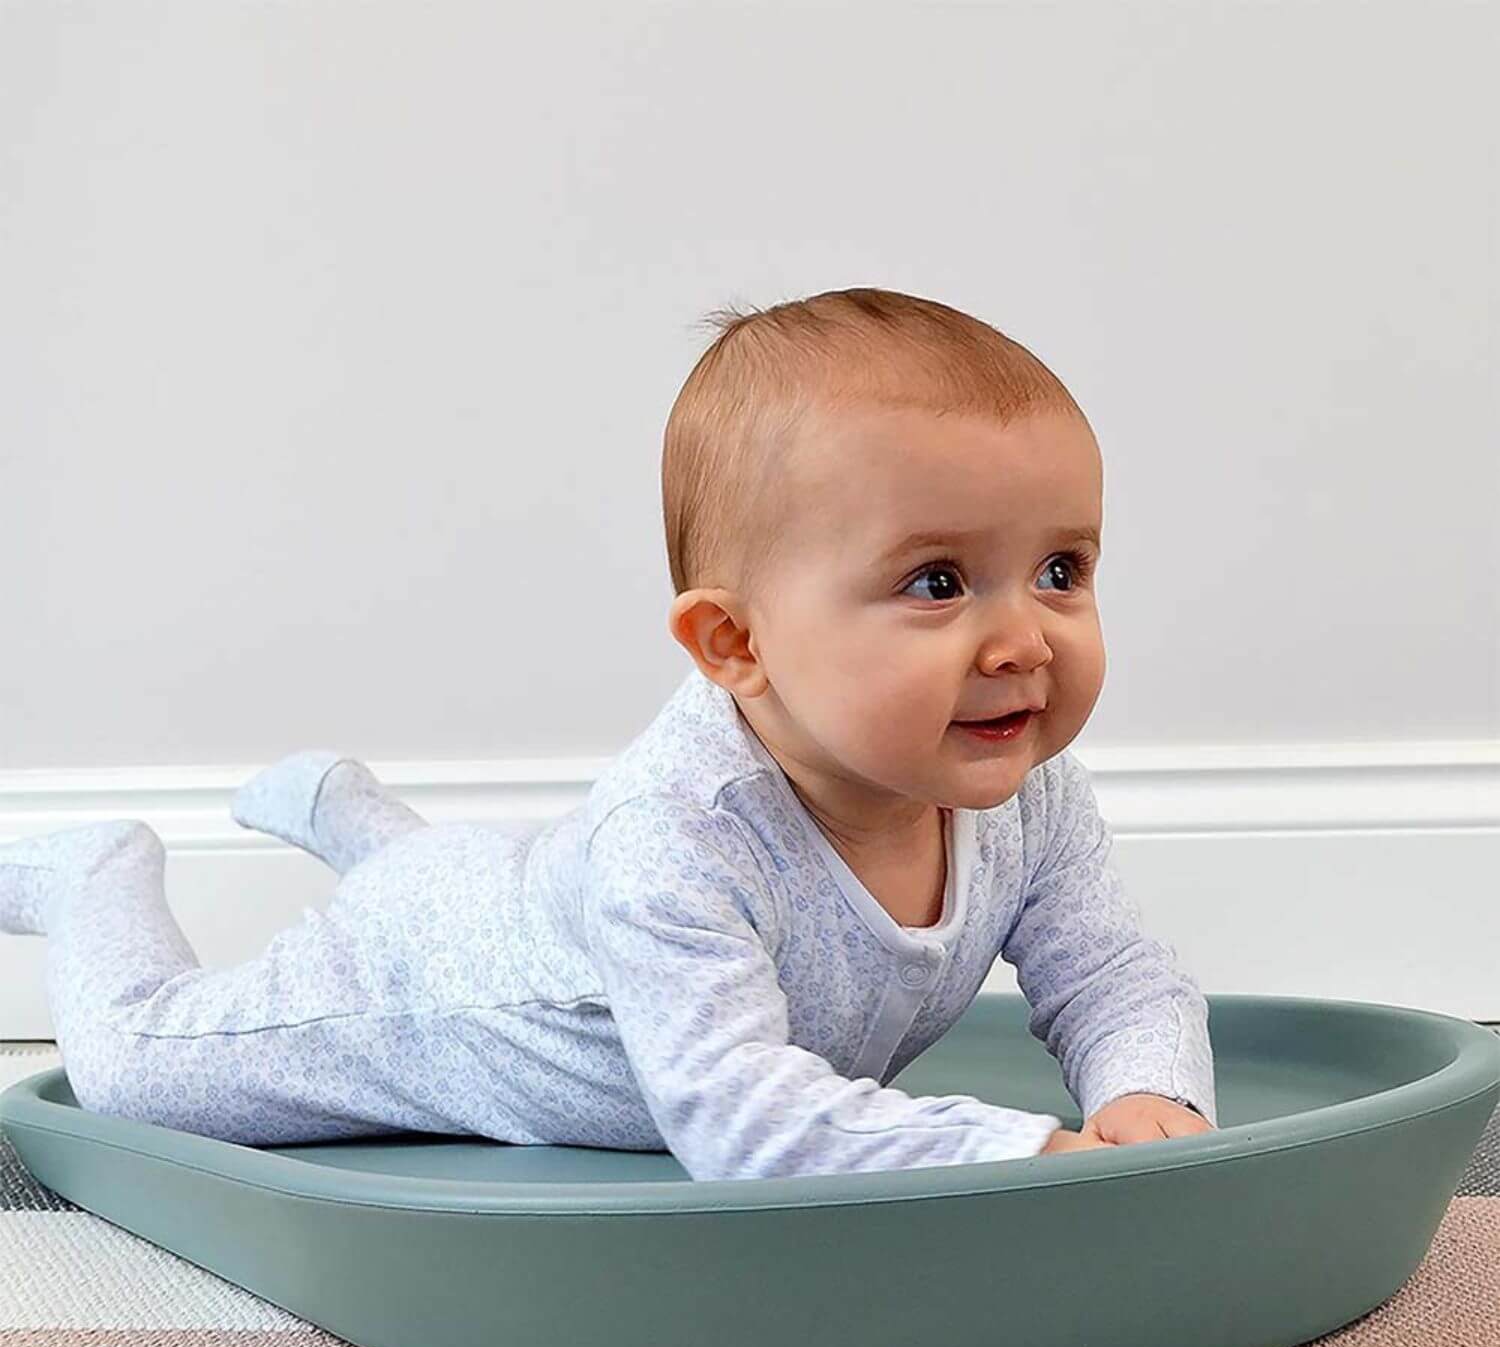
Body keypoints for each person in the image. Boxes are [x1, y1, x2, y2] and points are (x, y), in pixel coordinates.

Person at [0, 287, 1216, 1179]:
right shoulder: (678, 836)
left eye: (1061, 569)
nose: (1024, 642)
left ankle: (356, 819)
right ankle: (92, 875)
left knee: (495, 876)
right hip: (442, 989)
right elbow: (740, 1117)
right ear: (736, 647)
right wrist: (1034, 1148)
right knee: (135, 1071)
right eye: (939, 584)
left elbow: (1112, 972)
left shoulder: (1020, 782)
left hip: (530, 891)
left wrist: (1151, 1091)